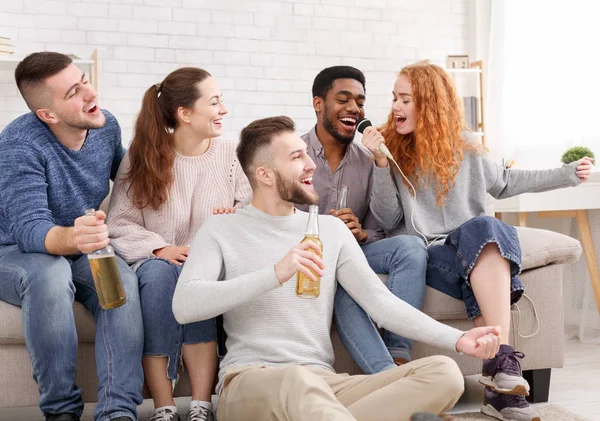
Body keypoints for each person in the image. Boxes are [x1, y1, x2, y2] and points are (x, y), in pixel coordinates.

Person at [171, 115, 504, 421]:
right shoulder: (220, 229)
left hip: (325, 383)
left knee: (443, 373)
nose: (309, 165)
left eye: (306, 154)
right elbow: (185, 305)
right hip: (248, 381)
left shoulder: (329, 231)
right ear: (264, 174)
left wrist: (459, 339)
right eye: (296, 157)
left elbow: (381, 304)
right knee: (296, 381)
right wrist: (276, 273)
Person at [362, 63, 593, 421]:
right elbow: (388, 218)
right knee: (484, 239)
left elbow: (506, 182)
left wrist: (566, 174)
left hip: (473, 252)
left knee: (484, 229)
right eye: (394, 98)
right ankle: (503, 372)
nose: (394, 106)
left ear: (430, 104)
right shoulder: (391, 150)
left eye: (405, 99)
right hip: (431, 256)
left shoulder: (467, 149)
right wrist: (380, 162)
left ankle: (499, 379)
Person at [0, 52, 143, 421]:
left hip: (78, 243)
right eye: (74, 92)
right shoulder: (19, 146)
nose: (89, 94)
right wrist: (79, 237)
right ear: (47, 114)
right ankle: (61, 411)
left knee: (122, 281)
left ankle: (117, 412)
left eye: (85, 81)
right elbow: (31, 231)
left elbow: (132, 184)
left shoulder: (105, 125)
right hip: (13, 249)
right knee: (49, 274)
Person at [107, 67, 252, 421]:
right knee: (160, 276)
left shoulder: (231, 154)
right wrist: (160, 248)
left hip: (205, 264)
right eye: (214, 102)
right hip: (154, 263)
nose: (224, 110)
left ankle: (201, 405)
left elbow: (253, 209)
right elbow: (119, 223)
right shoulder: (142, 157)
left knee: (195, 275)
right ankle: (164, 407)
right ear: (185, 114)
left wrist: (233, 215)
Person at [297, 65, 427, 372]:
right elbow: (269, 219)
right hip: (309, 256)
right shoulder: (293, 153)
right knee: (344, 284)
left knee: (410, 247)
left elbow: (384, 225)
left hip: (353, 253)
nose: (354, 108)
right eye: (343, 99)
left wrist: (362, 234)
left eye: (360, 101)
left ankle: (398, 355)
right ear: (319, 104)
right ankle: (387, 376)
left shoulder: (368, 161)